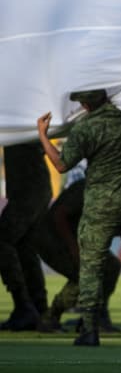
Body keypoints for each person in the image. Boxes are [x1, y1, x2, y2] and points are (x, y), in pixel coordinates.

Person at [36, 89, 121, 347]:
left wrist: (43, 136)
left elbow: (61, 165)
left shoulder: (86, 128)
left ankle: (90, 330)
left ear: (83, 103)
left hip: (100, 207)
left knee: (91, 267)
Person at [32, 179, 121, 333]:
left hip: (79, 240)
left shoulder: (116, 189)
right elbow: (60, 216)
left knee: (112, 266)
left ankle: (96, 315)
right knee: (86, 276)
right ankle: (50, 317)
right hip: (52, 239)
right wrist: (74, 247)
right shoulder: (88, 186)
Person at [0, 142, 52, 331]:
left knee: (3, 240)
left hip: (28, 191)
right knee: (24, 247)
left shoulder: (18, 116)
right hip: (35, 189)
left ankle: (24, 305)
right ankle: (38, 307)